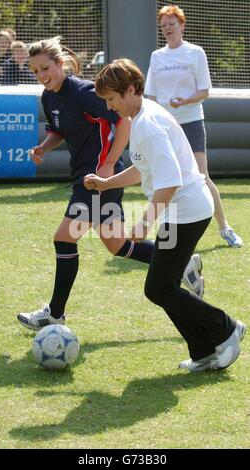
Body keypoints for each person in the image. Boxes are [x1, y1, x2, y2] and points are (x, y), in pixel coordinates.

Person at [16, 36, 202, 331]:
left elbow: (123, 121)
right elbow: (59, 132)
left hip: (97, 180)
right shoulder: (49, 97)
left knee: (64, 238)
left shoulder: (84, 92)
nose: (41, 75)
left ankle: (55, 313)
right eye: (35, 70)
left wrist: (109, 162)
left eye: (45, 68)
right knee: (116, 245)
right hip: (87, 177)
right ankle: (182, 262)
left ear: (60, 63)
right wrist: (43, 147)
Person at [83, 58, 246, 372]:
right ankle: (204, 352)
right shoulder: (143, 116)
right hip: (184, 210)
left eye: (112, 99)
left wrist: (143, 223)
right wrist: (107, 182)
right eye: (106, 101)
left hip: (187, 210)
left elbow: (169, 182)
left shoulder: (147, 124)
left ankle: (225, 327)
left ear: (131, 89)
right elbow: (146, 170)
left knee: (159, 287)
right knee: (163, 286)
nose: (110, 106)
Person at [144, 4, 242, 248]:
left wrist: (185, 101)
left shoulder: (195, 52)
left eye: (171, 24)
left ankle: (225, 228)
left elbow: (204, 91)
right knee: (163, 179)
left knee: (202, 176)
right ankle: (164, 235)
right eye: (163, 25)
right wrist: (154, 118)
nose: (167, 28)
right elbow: (151, 96)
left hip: (191, 121)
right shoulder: (157, 56)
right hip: (164, 126)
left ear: (182, 25)